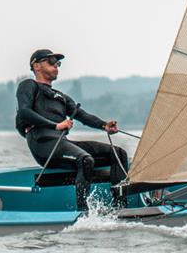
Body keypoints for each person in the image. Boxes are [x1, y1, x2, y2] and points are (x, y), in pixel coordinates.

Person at [16, 48, 128, 211]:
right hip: (43, 143)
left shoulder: (61, 97)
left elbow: (82, 115)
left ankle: (121, 209)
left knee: (118, 154)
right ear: (36, 66)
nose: (56, 66)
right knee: (85, 160)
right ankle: (84, 213)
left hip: (61, 142)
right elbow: (25, 112)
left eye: (58, 63)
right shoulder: (28, 85)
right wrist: (55, 125)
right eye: (52, 62)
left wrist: (104, 125)